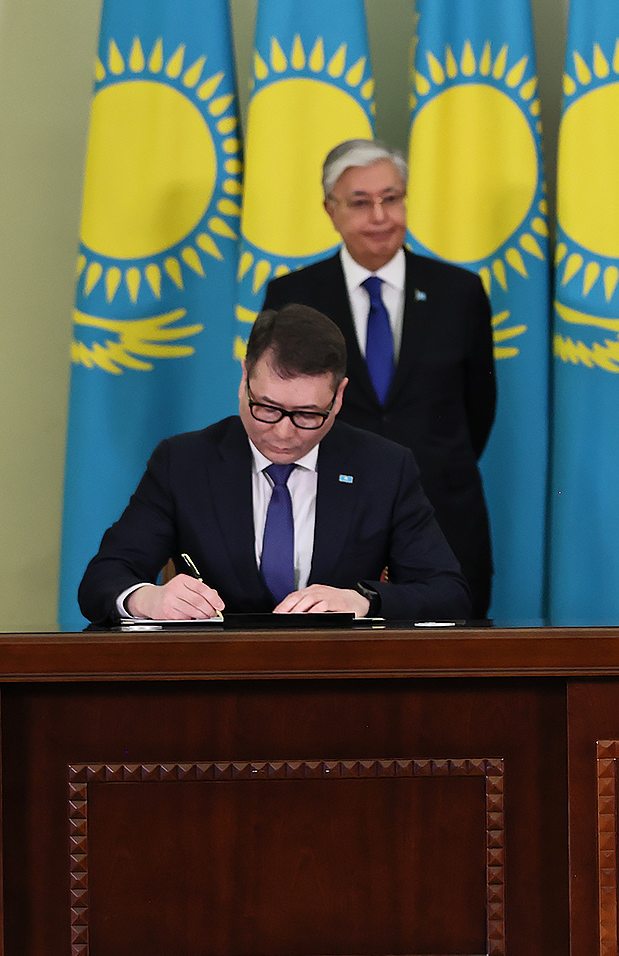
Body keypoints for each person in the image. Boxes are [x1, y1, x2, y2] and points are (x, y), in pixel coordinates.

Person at [79, 304, 470, 624]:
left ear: (338, 397)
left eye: (307, 414)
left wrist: (364, 601)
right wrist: (146, 599)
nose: (283, 433)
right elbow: (103, 577)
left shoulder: (383, 468)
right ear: (245, 378)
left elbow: (448, 592)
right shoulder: (184, 463)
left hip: (339, 675)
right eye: (266, 408)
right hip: (215, 675)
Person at [263, 139, 496, 617]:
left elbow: (479, 407)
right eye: (360, 202)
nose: (380, 216)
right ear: (330, 210)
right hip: (331, 516)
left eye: (391, 198)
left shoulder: (460, 292)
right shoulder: (294, 296)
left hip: (444, 517)